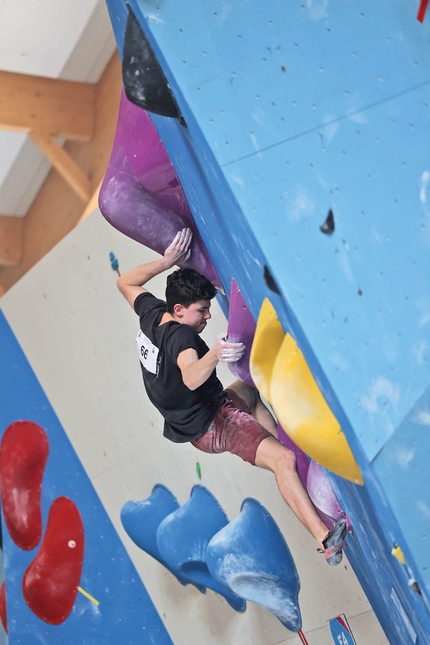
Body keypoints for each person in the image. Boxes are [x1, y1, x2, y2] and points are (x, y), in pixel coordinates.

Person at [117, 228, 347, 565]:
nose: (208, 316)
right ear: (179, 310)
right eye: (201, 310)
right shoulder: (181, 339)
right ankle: (325, 538)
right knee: (281, 460)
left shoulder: (153, 313)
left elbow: (125, 283)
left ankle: (281, 445)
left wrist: (166, 262)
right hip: (215, 422)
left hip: (197, 419)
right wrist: (216, 353)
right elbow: (192, 377)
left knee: (251, 392)